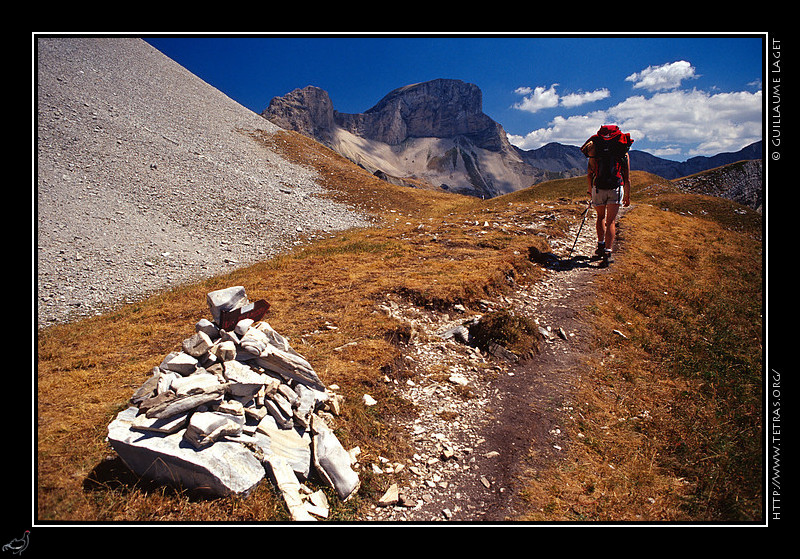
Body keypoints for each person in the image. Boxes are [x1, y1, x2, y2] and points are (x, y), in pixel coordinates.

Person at [580, 126, 632, 263]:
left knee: (600, 217)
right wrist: (627, 195)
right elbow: (627, 177)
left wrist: (590, 190)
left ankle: (600, 245)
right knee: (611, 221)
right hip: (616, 187)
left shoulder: (596, 149)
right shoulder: (623, 152)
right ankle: (608, 252)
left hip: (598, 188)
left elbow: (590, 173)